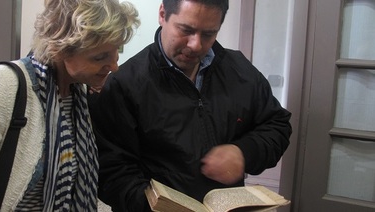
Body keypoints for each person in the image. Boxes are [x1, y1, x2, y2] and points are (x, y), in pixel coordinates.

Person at [0, 0, 139, 211]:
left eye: (116, 52)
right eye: (100, 57)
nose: (114, 66)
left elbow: (79, 187)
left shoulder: (78, 95)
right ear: (60, 49)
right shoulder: (3, 85)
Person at [88, 0, 292, 211]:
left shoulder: (239, 69)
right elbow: (111, 171)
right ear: (162, 14)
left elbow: (277, 126)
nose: (196, 45)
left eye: (208, 34)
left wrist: (244, 152)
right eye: (186, 30)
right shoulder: (124, 84)